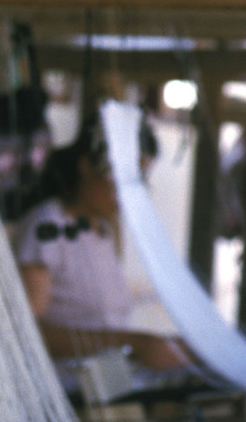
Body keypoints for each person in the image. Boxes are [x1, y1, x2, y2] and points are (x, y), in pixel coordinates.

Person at [14, 114, 192, 374]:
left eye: (138, 181)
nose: (127, 193)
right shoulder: (46, 227)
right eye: (121, 178)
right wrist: (134, 344)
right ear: (87, 165)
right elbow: (27, 330)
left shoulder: (103, 232)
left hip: (106, 384)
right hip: (63, 386)